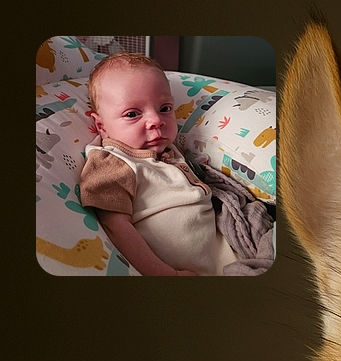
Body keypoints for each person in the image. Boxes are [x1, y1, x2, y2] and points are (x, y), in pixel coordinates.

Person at [79, 53, 235, 276]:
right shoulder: (112, 162)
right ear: (102, 126)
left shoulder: (170, 151)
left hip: (227, 257)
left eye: (165, 109)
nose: (156, 121)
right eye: (132, 114)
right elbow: (115, 226)